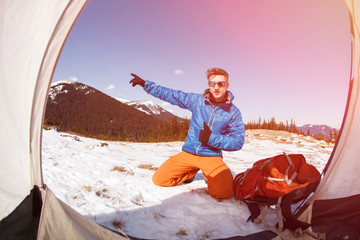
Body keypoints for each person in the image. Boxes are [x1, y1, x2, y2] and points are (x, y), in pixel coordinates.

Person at [129, 67, 245, 199]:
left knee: (224, 193)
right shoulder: (197, 101)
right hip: (189, 152)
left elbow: (238, 141)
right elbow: (172, 94)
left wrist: (211, 138)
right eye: (213, 83)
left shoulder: (233, 112)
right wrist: (146, 84)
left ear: (227, 85)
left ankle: (208, 174)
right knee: (159, 179)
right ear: (209, 85)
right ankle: (190, 172)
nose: (216, 87)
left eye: (221, 83)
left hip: (211, 155)